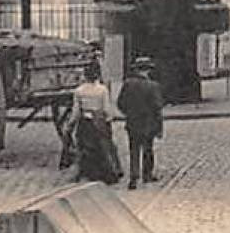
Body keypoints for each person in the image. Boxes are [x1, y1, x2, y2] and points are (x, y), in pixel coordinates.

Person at [68, 61, 122, 184]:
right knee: (104, 146)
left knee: (85, 147)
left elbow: (76, 111)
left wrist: (71, 123)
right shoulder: (102, 90)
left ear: (85, 76)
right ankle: (108, 172)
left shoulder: (79, 91)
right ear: (97, 76)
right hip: (99, 120)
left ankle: (88, 172)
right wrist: (109, 119)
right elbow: (106, 108)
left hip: (85, 122)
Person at [116, 56, 165, 190]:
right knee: (148, 149)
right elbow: (157, 107)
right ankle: (147, 175)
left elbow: (120, 103)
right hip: (148, 123)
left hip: (132, 122)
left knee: (134, 150)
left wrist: (129, 113)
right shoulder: (153, 86)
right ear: (148, 70)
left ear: (136, 70)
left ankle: (134, 177)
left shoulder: (128, 84)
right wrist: (160, 127)